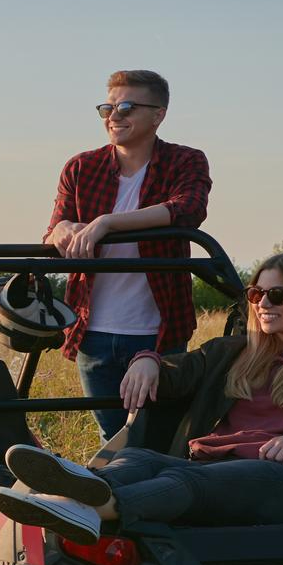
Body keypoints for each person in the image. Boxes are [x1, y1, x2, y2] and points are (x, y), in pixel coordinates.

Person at [0, 250, 283, 541]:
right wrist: (148, 359)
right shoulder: (233, 353)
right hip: (215, 465)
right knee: (138, 458)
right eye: (256, 294)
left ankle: (90, 511)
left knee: (182, 478)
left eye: (276, 295)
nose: (262, 304)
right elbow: (179, 371)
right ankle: (70, 495)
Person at [45, 70, 212, 439]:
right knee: (112, 439)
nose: (114, 116)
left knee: (159, 437)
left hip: (159, 331)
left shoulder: (185, 161)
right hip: (93, 330)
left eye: (126, 106)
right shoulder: (81, 167)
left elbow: (189, 208)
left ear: (158, 114)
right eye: (107, 107)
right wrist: (63, 230)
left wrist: (107, 222)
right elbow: (54, 227)